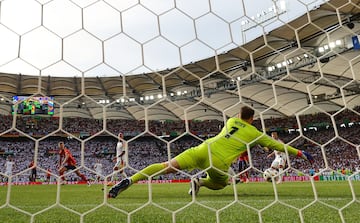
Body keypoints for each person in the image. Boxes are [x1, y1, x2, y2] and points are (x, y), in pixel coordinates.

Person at [108, 106, 314, 198]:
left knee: (166, 167)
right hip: (218, 162)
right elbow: (280, 146)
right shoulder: (255, 132)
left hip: (202, 148)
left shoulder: (232, 120)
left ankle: (130, 181)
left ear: (239, 115)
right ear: (252, 119)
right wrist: (301, 154)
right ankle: (200, 182)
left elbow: (240, 120)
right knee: (221, 183)